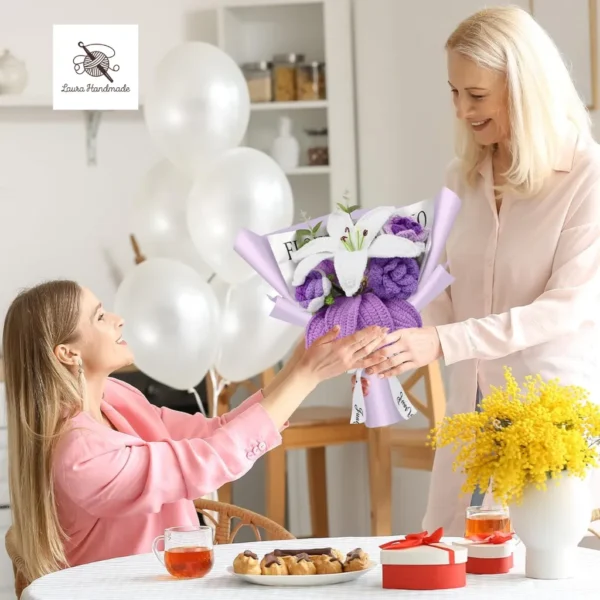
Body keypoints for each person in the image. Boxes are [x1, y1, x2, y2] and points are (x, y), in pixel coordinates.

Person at [359, 6, 600, 534]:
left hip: (549, 418)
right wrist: (393, 330)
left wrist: (443, 342)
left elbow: (567, 307)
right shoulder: (462, 175)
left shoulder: (586, 175)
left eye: (477, 95)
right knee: (448, 552)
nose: (462, 109)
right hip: (469, 414)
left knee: (534, 561)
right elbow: (446, 287)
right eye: (454, 92)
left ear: (524, 88)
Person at [4, 280, 387, 583]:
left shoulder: (116, 400)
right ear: (67, 353)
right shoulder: (79, 454)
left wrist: (302, 362)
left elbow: (213, 433)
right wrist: (307, 377)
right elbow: (206, 461)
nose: (118, 319)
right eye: (100, 317)